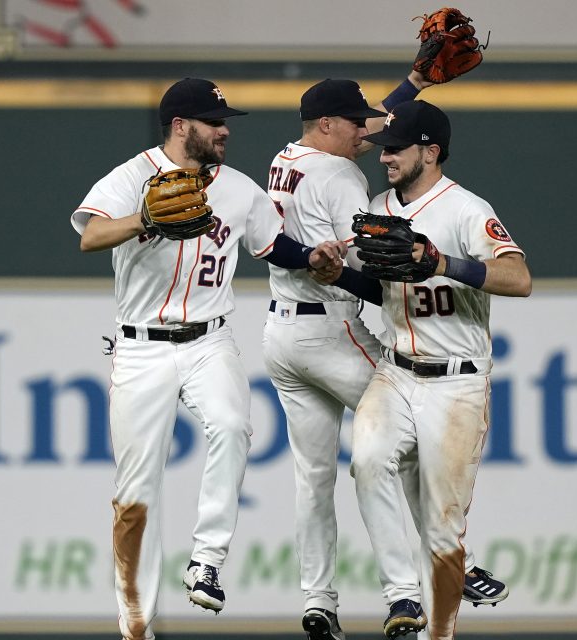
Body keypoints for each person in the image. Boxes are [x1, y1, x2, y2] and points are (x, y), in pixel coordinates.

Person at [70, 77, 343, 640]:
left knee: (233, 424)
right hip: (141, 345)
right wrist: (145, 219)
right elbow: (90, 236)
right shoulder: (131, 176)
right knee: (136, 492)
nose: (224, 131)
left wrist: (311, 254)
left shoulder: (239, 189)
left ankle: (207, 560)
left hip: (209, 339)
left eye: (225, 123)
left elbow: (273, 246)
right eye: (214, 122)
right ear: (179, 126)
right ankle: (135, 625)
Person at [264, 78, 510, 640]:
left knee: (320, 476)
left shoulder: (290, 155)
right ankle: (415, 587)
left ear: (429, 150)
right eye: (369, 133)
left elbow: (517, 277)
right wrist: (343, 272)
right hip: (353, 340)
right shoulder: (353, 186)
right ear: (329, 125)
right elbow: (384, 287)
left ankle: (322, 599)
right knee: (382, 457)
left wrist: (414, 83)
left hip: (294, 330)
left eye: (394, 144)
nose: (377, 146)